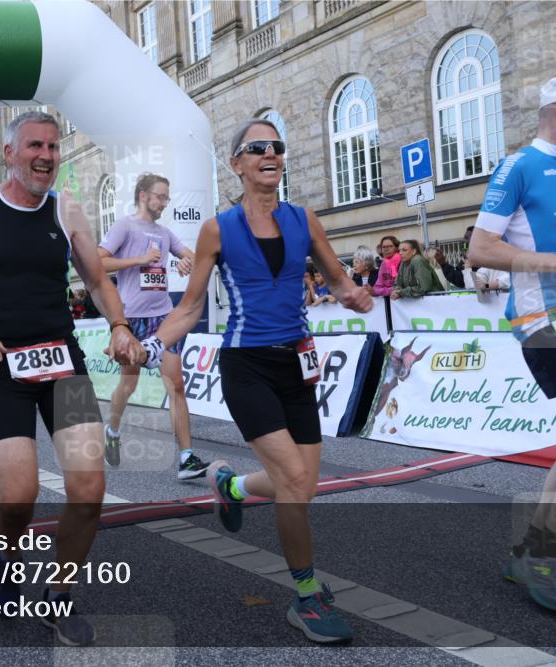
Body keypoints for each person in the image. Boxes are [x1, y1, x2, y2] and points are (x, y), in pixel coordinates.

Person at [140, 119, 372, 643]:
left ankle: (233, 486)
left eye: (277, 147)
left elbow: (335, 276)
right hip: (245, 366)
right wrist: (155, 343)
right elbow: (192, 304)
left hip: (297, 363)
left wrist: (353, 293)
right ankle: (307, 595)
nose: (271, 154)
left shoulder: (304, 219)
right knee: (293, 482)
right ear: (237, 165)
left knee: (304, 486)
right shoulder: (217, 229)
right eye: (257, 148)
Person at [0, 110, 143, 646]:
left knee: (89, 487)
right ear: (10, 153)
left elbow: (95, 278)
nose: (46, 155)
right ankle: (8, 552)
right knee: (18, 495)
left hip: (62, 364)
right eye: (34, 146)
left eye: (53, 146)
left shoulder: (67, 209)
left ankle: (59, 597)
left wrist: (118, 325)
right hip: (0, 365)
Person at [467, 70, 556, 615]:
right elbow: (480, 249)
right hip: (543, 315)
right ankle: (543, 557)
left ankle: (533, 552)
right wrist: (554, 261)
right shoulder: (520, 165)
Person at [97, 172, 209, 479]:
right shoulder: (124, 226)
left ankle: (186, 458)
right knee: (129, 384)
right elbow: (97, 261)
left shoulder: (164, 232)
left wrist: (188, 262)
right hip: (130, 319)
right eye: (160, 196)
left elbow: (193, 256)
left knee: (176, 385)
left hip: (163, 318)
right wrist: (138, 260)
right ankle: (113, 428)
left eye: (166, 197)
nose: (163, 202)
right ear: (143, 196)